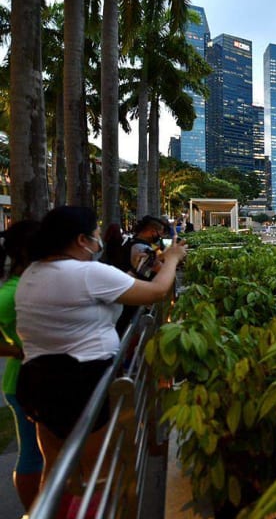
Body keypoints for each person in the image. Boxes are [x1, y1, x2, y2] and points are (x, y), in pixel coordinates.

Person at [14, 206, 187, 490]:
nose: (99, 239)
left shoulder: (33, 272)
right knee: (100, 474)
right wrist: (172, 260)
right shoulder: (88, 273)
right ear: (82, 240)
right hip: (81, 382)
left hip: (36, 379)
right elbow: (156, 292)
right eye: (96, 233)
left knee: (56, 473)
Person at [0, 220, 43, 510]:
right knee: (31, 453)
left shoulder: (26, 285)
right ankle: (35, 517)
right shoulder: (13, 291)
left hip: (33, 380)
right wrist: (17, 350)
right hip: (24, 383)